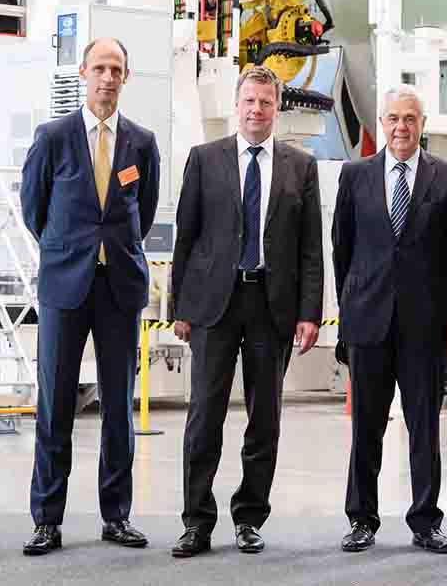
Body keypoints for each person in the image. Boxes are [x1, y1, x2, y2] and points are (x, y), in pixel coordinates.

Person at [169, 65, 324, 557]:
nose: (257, 109)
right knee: (204, 416)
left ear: (277, 107)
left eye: (266, 101)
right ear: (236, 106)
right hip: (213, 305)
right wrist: (180, 307)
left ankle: (249, 518)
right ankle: (197, 522)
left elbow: (310, 249)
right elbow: (186, 237)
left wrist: (310, 313)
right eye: (249, 101)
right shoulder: (204, 159)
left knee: (265, 419)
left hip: (271, 306)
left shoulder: (301, 167)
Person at [21, 37, 161, 555]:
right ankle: (47, 520)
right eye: (100, 67)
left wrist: (111, 249)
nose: (108, 77)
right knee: (55, 404)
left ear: (127, 77)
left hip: (119, 287)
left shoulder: (141, 143)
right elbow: (33, 209)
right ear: (83, 72)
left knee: (118, 407)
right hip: (65, 286)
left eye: (116, 69)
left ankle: (116, 516)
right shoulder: (53, 137)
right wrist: (69, 250)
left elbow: (143, 211)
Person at [331, 85, 447, 555]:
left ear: (422, 125)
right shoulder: (355, 175)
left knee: (424, 428)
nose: (401, 127)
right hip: (368, 322)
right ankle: (361, 519)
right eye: (393, 118)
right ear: (382, 123)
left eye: (410, 119)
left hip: (424, 326)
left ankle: (426, 521)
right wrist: (349, 309)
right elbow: (342, 249)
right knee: (365, 428)